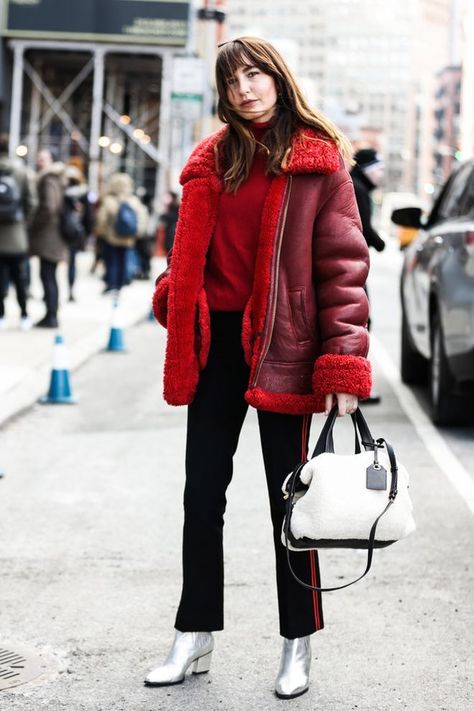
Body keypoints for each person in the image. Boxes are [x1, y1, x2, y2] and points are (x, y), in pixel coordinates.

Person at [146, 37, 371, 700]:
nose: (246, 87)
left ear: (277, 78)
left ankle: (296, 641)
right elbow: (189, 250)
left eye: (256, 73)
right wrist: (172, 292)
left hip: (288, 346)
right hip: (214, 343)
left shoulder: (317, 162)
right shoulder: (214, 160)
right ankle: (194, 633)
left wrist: (342, 368)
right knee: (201, 496)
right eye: (233, 79)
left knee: (290, 505)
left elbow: (344, 270)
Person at [350, 148, 385, 404]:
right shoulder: (358, 190)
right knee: (360, 322)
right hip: (352, 266)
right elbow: (362, 227)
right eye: (378, 169)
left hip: (352, 264)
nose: (381, 175)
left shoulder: (356, 186)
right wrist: (381, 243)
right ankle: (356, 385)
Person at [0, 133, 37, 330]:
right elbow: (31, 202)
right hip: (16, 236)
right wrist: (23, 222)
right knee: (20, 278)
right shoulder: (21, 172)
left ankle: (1, 316)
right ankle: (24, 315)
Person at [29, 148, 66, 328]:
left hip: (49, 236)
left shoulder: (49, 179)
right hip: (53, 235)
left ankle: (51, 315)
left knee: (47, 275)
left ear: (52, 161)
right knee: (48, 274)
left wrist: (35, 223)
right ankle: (51, 313)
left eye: (43, 159)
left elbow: (49, 207)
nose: (39, 161)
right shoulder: (56, 178)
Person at [95, 172, 148, 294]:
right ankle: (119, 285)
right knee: (123, 260)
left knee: (111, 261)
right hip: (128, 238)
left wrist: (102, 233)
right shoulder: (134, 201)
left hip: (111, 238)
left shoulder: (109, 200)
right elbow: (142, 218)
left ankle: (111, 284)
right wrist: (137, 233)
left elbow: (102, 219)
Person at [62, 165, 94, 302]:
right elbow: (89, 216)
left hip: (61, 231)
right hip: (76, 232)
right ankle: (70, 289)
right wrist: (87, 233)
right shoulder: (84, 193)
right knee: (72, 263)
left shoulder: (62, 193)